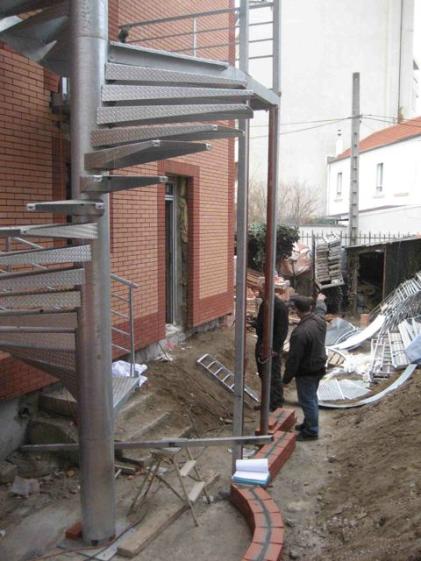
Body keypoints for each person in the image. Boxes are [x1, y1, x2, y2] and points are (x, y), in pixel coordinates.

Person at [283, 295, 327, 441]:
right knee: (312, 397)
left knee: (307, 401)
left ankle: (311, 431)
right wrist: (320, 300)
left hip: (307, 370)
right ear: (310, 308)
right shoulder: (320, 321)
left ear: (296, 311)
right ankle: (308, 423)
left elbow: (294, 359)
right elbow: (321, 310)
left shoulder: (299, 333)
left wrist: (286, 378)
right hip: (319, 366)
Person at [254, 279, 289, 411]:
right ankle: (267, 402)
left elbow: (282, 331)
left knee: (273, 376)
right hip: (262, 343)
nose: (258, 292)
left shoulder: (279, 307)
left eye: (260, 289)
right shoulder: (265, 304)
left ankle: (276, 404)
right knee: (263, 374)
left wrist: (274, 348)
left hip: (271, 347)